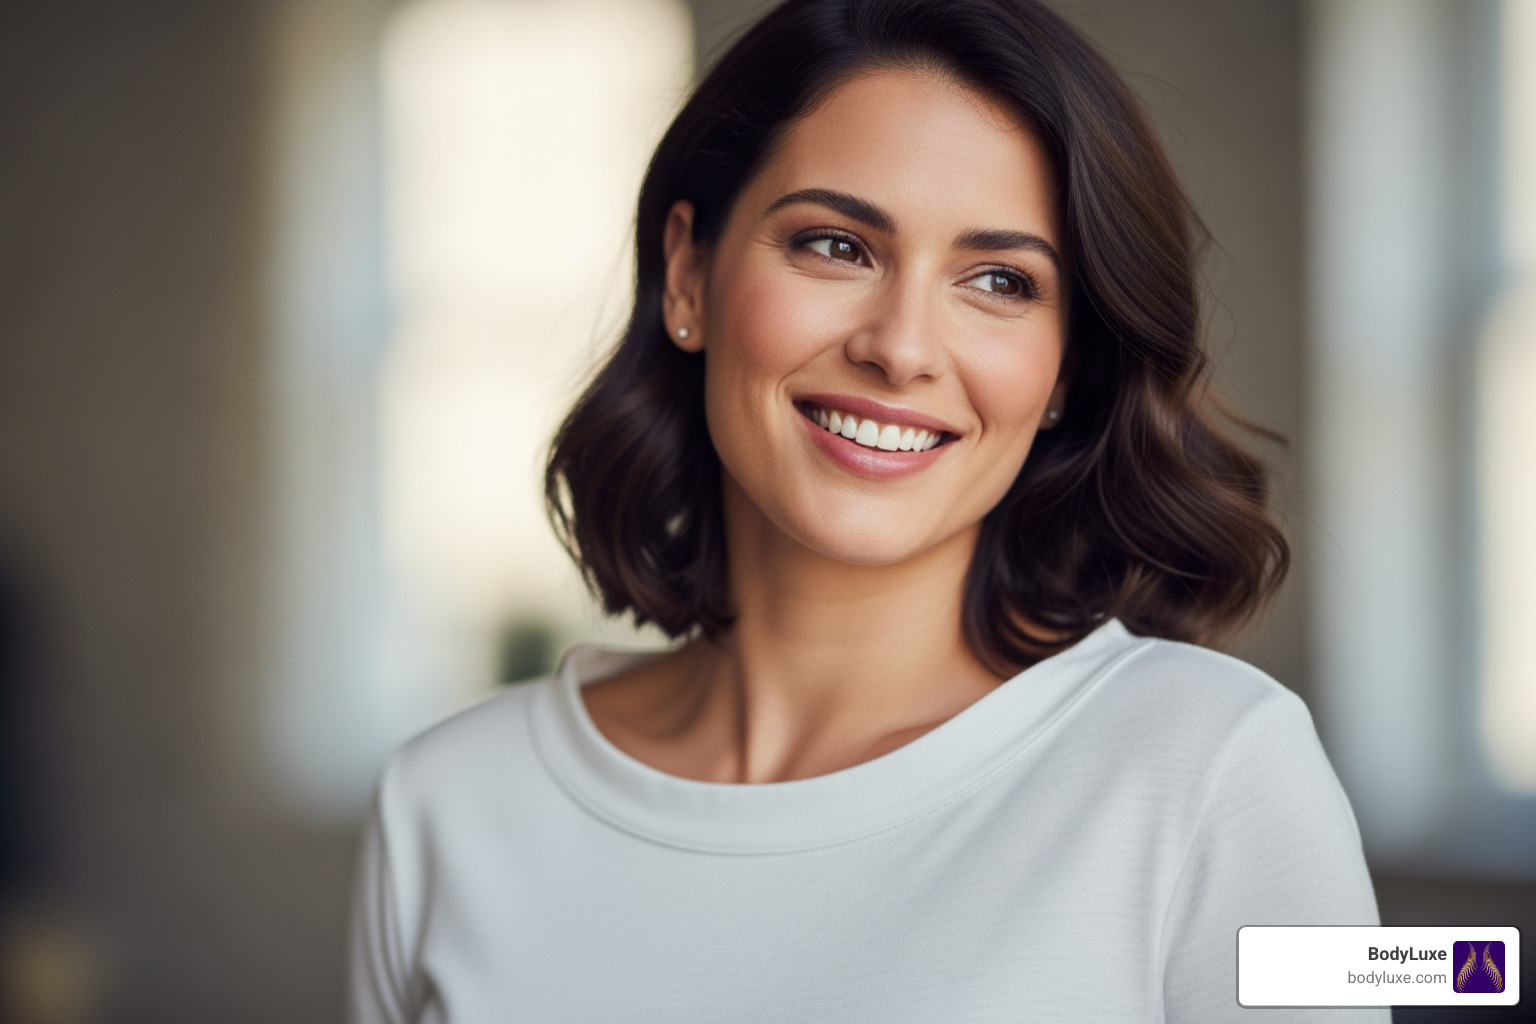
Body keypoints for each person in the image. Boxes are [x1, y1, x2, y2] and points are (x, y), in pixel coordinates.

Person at [347, 0, 1384, 1020]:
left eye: (999, 281)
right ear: (689, 275)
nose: (901, 347)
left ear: (1068, 368)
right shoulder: (447, 804)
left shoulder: (1217, 766)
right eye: (837, 246)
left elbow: (1453, 973)